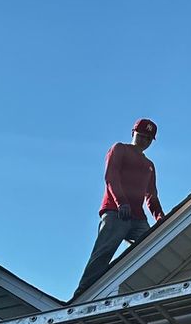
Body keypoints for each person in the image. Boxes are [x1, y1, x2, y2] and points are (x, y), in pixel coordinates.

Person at [71, 118, 166, 298]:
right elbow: (111, 176)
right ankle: (82, 295)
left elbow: (151, 195)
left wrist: (161, 218)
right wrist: (121, 202)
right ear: (133, 133)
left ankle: (138, 291)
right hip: (117, 212)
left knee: (151, 247)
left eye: (148, 138)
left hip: (137, 218)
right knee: (103, 252)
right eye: (141, 135)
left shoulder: (149, 165)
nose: (144, 140)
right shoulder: (120, 149)